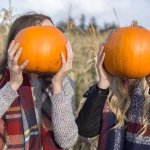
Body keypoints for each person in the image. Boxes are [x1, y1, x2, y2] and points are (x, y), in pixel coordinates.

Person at [0, 13, 78, 150]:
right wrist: (12, 85)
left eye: (53, 35)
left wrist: (57, 85)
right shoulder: (3, 82)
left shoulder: (64, 84)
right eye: (42, 36)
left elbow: (67, 141)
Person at [77, 44, 150, 150]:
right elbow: (86, 130)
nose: (129, 60)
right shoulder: (108, 91)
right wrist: (103, 83)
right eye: (124, 55)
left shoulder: (147, 93)